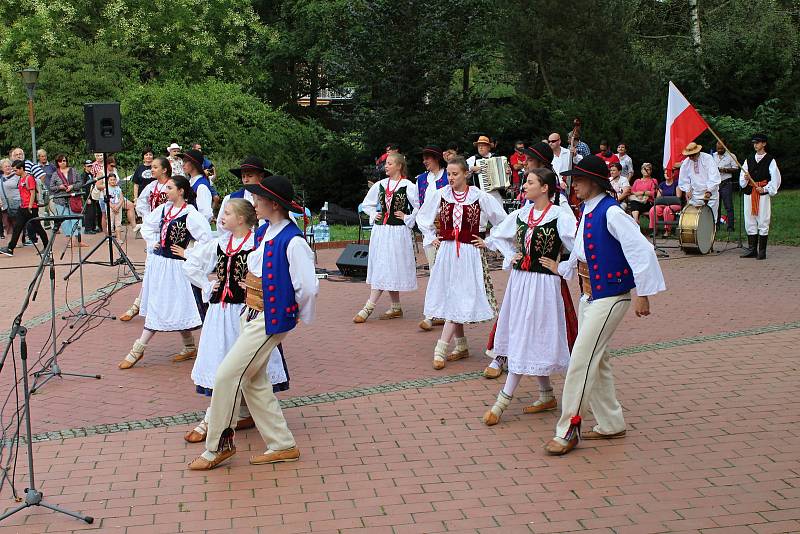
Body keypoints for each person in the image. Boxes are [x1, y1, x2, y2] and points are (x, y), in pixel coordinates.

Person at [188, 175, 318, 471]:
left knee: (226, 375)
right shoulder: (266, 234)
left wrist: (294, 314)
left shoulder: (292, 240)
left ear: (274, 204)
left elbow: (308, 287)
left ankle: (217, 446)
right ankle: (282, 443)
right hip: (255, 314)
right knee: (254, 381)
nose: (254, 204)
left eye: (259, 200)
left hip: (270, 319)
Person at [542, 155, 665, 456]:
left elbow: (642, 250)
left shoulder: (612, 212)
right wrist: (563, 268)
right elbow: (581, 249)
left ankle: (569, 428)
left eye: (580, 180)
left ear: (595, 182)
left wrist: (643, 292)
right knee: (598, 359)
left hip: (610, 296)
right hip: (590, 294)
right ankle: (611, 423)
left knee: (581, 360)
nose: (575, 185)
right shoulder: (587, 210)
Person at [180, 198, 289, 443]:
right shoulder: (219, 243)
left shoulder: (258, 244)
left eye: (227, 213)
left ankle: (216, 419)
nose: (222, 217)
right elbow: (192, 264)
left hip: (246, 312)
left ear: (240, 219)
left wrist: (257, 284)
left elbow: (274, 271)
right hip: (220, 313)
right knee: (221, 360)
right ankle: (235, 413)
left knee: (243, 364)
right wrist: (208, 285)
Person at [477, 168, 577, 425]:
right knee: (523, 332)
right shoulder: (522, 214)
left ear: (545, 187)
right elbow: (498, 234)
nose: (524, 186)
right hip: (521, 283)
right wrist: (511, 255)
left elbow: (580, 245)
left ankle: (502, 401)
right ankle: (546, 395)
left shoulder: (559, 216)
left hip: (544, 286)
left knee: (529, 335)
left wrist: (561, 266)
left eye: (530, 182)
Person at [416, 156, 506, 370]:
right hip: (447, 252)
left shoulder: (479, 196)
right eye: (448, 174)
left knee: (459, 296)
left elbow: (503, 221)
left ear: (466, 174)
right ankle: (462, 345)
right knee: (451, 296)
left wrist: (489, 241)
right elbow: (423, 217)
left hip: (469, 253)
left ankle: (441, 347)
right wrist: (431, 237)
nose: (451, 178)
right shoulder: (441, 194)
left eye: (455, 174)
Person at [117, 176, 212, 369]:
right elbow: (148, 228)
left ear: (181, 191)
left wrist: (189, 252)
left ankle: (138, 348)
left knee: (170, 305)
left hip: (177, 268)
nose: (165, 191)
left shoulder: (190, 214)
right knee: (170, 304)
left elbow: (207, 240)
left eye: (169, 188)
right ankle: (189, 346)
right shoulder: (163, 209)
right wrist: (153, 243)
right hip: (160, 265)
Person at [353, 153, 420, 323]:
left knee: (389, 266)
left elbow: (420, 206)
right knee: (383, 265)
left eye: (390, 164)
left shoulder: (408, 186)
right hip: (381, 231)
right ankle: (395, 307)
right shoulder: (380, 185)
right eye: (386, 164)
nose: (386, 166)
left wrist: (407, 217)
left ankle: (369, 306)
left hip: (398, 233)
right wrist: (374, 213)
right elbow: (367, 204)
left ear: (399, 166)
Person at [119, 157, 174, 322]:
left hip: (170, 232)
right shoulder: (151, 186)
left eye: (155, 167)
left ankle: (150, 305)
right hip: (155, 232)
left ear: (164, 169)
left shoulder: (173, 186)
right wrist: (150, 218)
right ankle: (140, 304)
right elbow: (141, 203)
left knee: (169, 271)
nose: (152, 169)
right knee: (152, 268)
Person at [415, 146, 449, 332]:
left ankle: (440, 313)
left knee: (446, 273)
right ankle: (432, 313)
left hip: (448, 231)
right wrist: (429, 234)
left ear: (436, 158)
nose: (425, 161)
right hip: (430, 232)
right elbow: (420, 210)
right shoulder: (421, 180)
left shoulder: (448, 176)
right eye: (424, 158)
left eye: (428, 157)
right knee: (434, 272)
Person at [739, 133, 781, 260]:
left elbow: (775, 178)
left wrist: (765, 188)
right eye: (754, 143)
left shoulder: (770, 160)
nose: (755, 145)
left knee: (763, 219)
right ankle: (752, 249)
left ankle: (762, 251)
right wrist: (745, 178)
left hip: (761, 194)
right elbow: (742, 175)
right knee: (749, 220)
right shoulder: (749, 159)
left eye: (757, 143)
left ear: (764, 144)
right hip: (750, 192)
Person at [0, 160, 49, 257]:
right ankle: (10, 248)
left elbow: (32, 193)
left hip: (30, 208)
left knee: (37, 228)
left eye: (16, 170)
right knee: (18, 227)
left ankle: (47, 246)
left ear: (21, 169)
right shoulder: (20, 179)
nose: (14, 172)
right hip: (23, 207)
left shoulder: (29, 178)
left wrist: (30, 206)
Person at [217, 156, 272, 239]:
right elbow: (221, 225)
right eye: (243, 176)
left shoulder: (271, 199)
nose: (246, 180)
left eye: (249, 176)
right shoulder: (230, 199)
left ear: (261, 176)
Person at [48, 154, 86, 248]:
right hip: (61, 200)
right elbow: (51, 187)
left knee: (76, 218)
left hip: (74, 198)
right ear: (57, 163)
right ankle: (70, 240)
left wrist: (72, 186)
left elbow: (80, 182)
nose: (62, 163)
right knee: (65, 221)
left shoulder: (73, 170)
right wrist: (59, 187)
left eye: (64, 161)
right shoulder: (55, 174)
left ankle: (77, 240)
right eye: (60, 161)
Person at [678, 142, 721, 221]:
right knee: (695, 220)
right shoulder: (686, 163)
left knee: (710, 218)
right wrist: (687, 190)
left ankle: (711, 232)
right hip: (695, 194)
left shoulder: (708, 158)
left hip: (710, 193)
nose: (691, 157)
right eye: (689, 155)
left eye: (692, 155)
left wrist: (709, 190)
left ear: (698, 152)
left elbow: (714, 175)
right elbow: (683, 178)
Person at [179, 149, 214, 222]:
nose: (183, 164)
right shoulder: (191, 181)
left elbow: (206, 214)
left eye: (185, 161)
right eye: (183, 161)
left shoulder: (201, 186)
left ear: (194, 163)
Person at [648, 169, 683, 238]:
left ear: (673, 174)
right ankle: (655, 230)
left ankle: (667, 231)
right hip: (663, 204)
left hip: (675, 205)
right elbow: (658, 198)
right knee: (653, 209)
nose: (666, 174)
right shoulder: (662, 184)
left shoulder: (676, 183)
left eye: (669, 173)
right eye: (665, 173)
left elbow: (678, 197)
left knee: (667, 209)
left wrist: (667, 201)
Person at [713, 141, 738, 231]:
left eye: (721, 148)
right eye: (718, 148)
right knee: (716, 205)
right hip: (715, 183)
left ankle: (730, 226)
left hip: (726, 182)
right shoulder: (713, 155)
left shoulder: (731, 156)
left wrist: (725, 170)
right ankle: (716, 225)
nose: (719, 150)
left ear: (725, 147)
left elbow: (736, 168)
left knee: (728, 205)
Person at [107, 174, 136, 239]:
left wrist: (118, 206)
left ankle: (119, 238)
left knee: (118, 223)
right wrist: (112, 207)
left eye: (114, 180)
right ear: (108, 181)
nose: (112, 181)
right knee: (110, 223)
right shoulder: (107, 189)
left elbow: (122, 198)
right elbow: (107, 200)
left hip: (118, 207)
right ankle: (109, 238)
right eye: (111, 180)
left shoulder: (118, 188)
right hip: (110, 208)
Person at [0, 159, 20, 239]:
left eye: (9, 166)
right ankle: (10, 241)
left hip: (16, 203)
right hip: (4, 205)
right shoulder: (0, 178)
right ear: (1, 168)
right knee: (7, 224)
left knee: (17, 223)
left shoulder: (16, 176)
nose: (8, 168)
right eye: (5, 166)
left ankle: (18, 241)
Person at [81, 160, 100, 235]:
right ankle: (87, 229)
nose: (90, 167)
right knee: (89, 213)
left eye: (91, 166)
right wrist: (86, 198)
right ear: (84, 167)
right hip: (88, 196)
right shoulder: (83, 175)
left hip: (93, 196)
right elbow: (83, 187)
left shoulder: (91, 174)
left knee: (93, 212)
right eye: (88, 166)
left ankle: (92, 227)